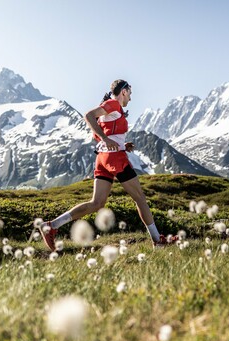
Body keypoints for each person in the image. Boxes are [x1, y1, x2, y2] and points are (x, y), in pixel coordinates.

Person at [39, 79, 175, 250]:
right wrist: (106, 139)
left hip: (103, 158)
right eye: (130, 94)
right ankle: (158, 241)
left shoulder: (110, 108)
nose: (131, 99)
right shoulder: (113, 104)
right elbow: (88, 116)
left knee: (97, 203)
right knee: (140, 198)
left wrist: (122, 145)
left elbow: (108, 131)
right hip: (114, 158)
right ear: (124, 91)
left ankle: (51, 226)